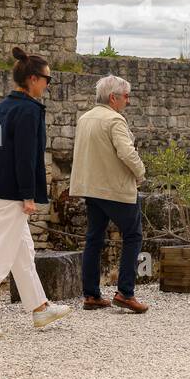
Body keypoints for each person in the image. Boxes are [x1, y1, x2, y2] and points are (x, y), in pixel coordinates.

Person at [0, 47, 73, 339]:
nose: (49, 84)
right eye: (48, 78)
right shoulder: (29, 110)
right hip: (10, 193)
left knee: (23, 251)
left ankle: (40, 307)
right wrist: (27, 195)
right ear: (33, 79)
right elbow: (26, 156)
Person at [69, 74, 148, 313]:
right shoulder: (115, 120)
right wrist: (140, 173)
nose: (128, 101)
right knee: (133, 235)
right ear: (113, 98)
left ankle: (91, 294)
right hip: (114, 188)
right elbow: (127, 153)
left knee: (94, 238)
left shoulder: (85, 119)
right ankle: (125, 292)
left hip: (90, 187)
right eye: (126, 96)